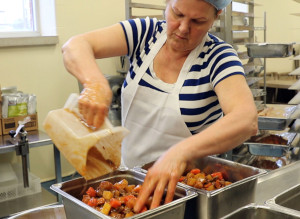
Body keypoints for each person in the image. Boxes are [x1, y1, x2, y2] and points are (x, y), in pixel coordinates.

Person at [62, 0, 258, 213]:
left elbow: (246, 119)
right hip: (131, 183)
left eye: (197, 21)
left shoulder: (219, 57)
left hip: (184, 195)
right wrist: (94, 83)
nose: (183, 28)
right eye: (177, 14)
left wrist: (178, 153)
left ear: (216, 16)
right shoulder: (144, 34)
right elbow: (75, 45)